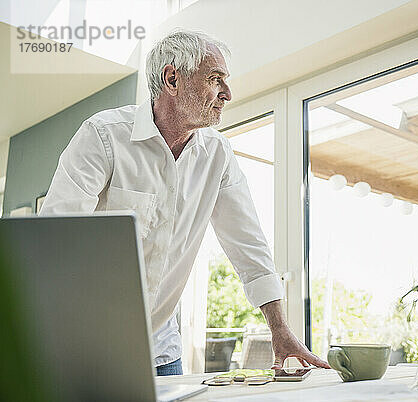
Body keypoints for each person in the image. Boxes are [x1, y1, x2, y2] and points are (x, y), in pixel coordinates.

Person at [40, 29, 329, 375]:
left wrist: (280, 330)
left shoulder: (218, 155)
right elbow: (53, 237)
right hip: (86, 346)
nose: (228, 94)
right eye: (215, 79)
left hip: (161, 351)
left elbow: (248, 247)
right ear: (172, 78)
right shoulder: (104, 136)